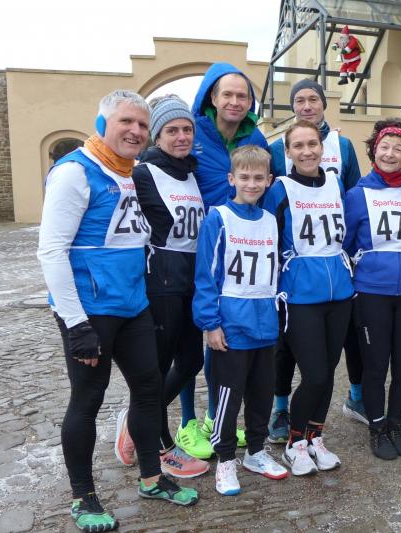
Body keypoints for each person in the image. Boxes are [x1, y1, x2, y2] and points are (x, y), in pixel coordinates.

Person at [37, 90, 198, 532]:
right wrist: (76, 324)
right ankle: (83, 496)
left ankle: (151, 478)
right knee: (87, 400)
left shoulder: (127, 171)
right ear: (102, 123)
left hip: (133, 305)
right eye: (127, 121)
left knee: (148, 390)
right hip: (91, 311)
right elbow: (51, 251)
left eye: (142, 125)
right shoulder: (75, 171)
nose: (136, 131)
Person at [178, 62, 269, 454]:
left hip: (239, 252)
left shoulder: (256, 137)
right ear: (211, 98)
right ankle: (186, 421)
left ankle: (217, 417)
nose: (234, 101)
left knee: (222, 345)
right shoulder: (192, 133)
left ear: (250, 102)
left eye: (242, 95)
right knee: (188, 347)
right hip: (191, 251)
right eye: (227, 94)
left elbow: (268, 184)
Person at [267, 79, 363, 444]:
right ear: (287, 152)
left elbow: (349, 223)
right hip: (299, 293)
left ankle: (315, 439)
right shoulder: (279, 189)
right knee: (316, 374)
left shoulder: (336, 183)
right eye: (298, 146)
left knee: (328, 370)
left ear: (323, 147)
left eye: (312, 145)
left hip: (338, 291)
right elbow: (268, 239)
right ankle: (295, 437)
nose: (307, 151)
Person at [193, 146, 289, 496]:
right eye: (244, 177)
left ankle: (256, 451)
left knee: (262, 393)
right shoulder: (218, 218)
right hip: (231, 325)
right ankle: (225, 459)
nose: (251, 184)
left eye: (258, 178)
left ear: (269, 180)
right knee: (228, 396)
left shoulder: (269, 220)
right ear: (231, 178)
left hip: (265, 323)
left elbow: (274, 272)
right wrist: (210, 323)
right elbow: (206, 275)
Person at [128, 95, 209, 476]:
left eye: (187, 129)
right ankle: (160, 444)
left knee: (192, 361)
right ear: (157, 136)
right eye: (172, 130)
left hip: (191, 278)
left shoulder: (190, 173)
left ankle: (137, 419)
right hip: (160, 280)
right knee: (158, 369)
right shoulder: (143, 173)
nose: (181, 136)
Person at [344, 119, 401, 460]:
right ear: (373, 151)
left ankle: (395, 423)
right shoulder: (357, 194)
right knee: (376, 364)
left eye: (399, 148)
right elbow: (346, 244)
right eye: (384, 147)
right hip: (372, 291)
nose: (391, 154)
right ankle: (377, 426)